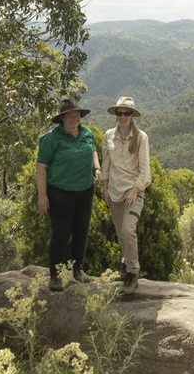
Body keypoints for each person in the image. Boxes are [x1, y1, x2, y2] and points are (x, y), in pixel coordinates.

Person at [36, 98, 102, 292]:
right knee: (60, 234)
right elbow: (41, 167)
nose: (74, 118)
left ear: (80, 117)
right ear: (62, 118)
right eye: (69, 115)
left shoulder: (87, 134)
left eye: (76, 115)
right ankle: (55, 275)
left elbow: (93, 151)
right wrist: (42, 195)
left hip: (85, 191)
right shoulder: (51, 139)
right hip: (59, 193)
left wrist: (97, 168)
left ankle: (78, 269)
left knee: (81, 231)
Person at [102, 96, 151, 295]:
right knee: (121, 233)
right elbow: (106, 164)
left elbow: (145, 171)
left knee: (128, 229)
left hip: (133, 192)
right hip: (114, 191)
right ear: (116, 114)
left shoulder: (141, 138)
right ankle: (125, 264)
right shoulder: (108, 136)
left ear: (132, 115)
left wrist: (135, 189)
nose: (123, 116)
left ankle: (133, 273)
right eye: (120, 113)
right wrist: (104, 188)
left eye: (127, 113)